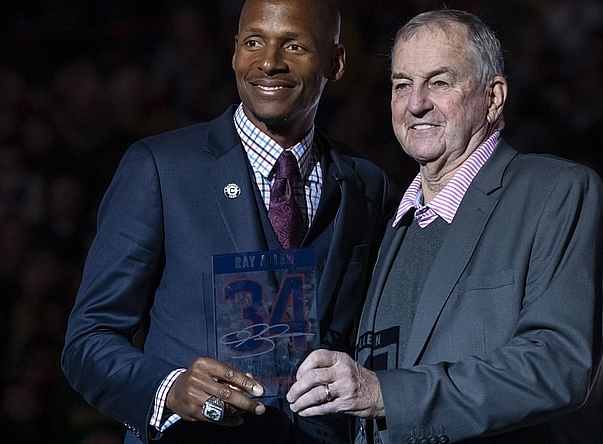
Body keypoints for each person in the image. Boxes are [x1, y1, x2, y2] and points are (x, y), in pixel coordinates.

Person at [61, 0, 390, 443]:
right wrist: (169, 388)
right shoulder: (160, 169)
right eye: (253, 42)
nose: (269, 62)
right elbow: (89, 339)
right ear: (234, 51)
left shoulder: (367, 184)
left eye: (294, 45)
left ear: (336, 62)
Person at [286, 8, 603, 443]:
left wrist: (386, 394)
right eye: (402, 85)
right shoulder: (389, 225)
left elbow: (559, 366)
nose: (416, 103)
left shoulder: (555, 192)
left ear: (494, 97)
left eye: (439, 82)